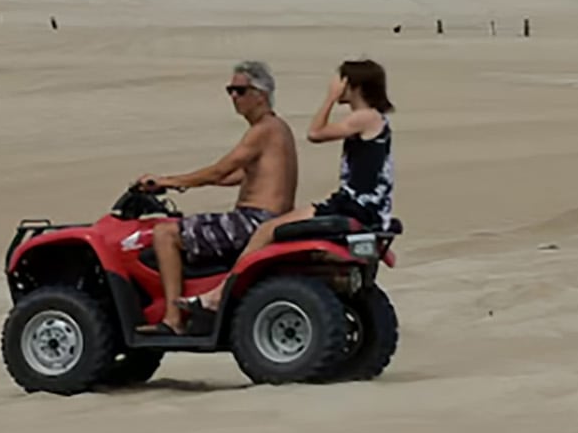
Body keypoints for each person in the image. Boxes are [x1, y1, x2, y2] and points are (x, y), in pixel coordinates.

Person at [193, 60, 394, 314]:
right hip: (365, 206)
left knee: (266, 230)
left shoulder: (364, 116)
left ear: (353, 85)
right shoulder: (375, 119)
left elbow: (315, 133)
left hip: (353, 205)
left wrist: (330, 98)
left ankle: (220, 294)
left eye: (339, 81)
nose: (334, 85)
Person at [136, 61, 299, 334]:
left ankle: (173, 320)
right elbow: (237, 176)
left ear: (260, 94)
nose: (234, 97)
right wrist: (180, 182)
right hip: (267, 219)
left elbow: (219, 170)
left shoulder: (263, 130)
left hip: (253, 220)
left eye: (240, 90)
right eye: (230, 91)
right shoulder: (279, 129)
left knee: (165, 233)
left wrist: (167, 181)